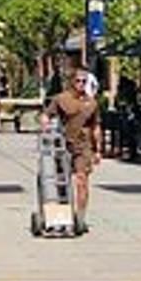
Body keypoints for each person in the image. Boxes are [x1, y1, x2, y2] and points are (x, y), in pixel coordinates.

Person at [48, 61, 103, 232]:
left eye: (84, 81)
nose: (81, 84)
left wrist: (98, 150)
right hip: (63, 145)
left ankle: (80, 217)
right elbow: (47, 116)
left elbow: (96, 127)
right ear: (72, 81)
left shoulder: (92, 103)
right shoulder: (61, 99)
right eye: (78, 81)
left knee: (82, 181)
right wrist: (46, 128)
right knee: (61, 182)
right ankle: (61, 216)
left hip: (83, 146)